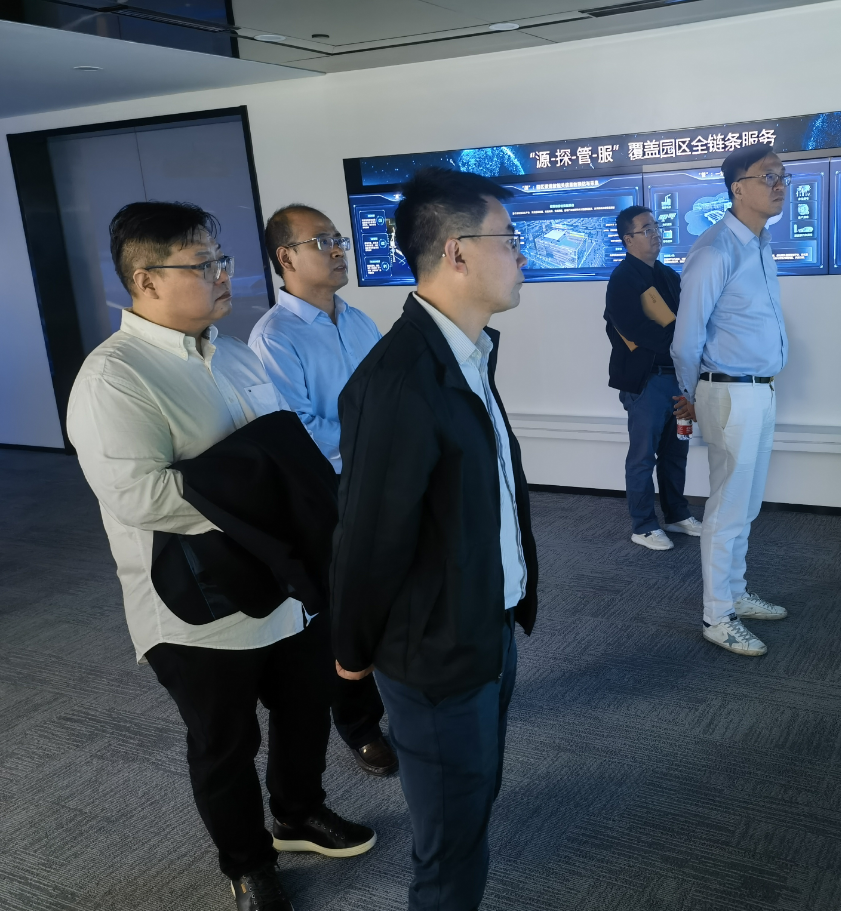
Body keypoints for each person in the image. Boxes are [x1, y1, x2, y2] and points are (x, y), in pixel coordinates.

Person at [66, 202, 375, 911]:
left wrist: (280, 489)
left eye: (222, 260)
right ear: (146, 280)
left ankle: (298, 812)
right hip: (198, 602)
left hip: (282, 579)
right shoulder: (114, 377)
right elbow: (143, 495)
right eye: (203, 265)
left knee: (305, 707)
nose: (224, 275)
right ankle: (247, 862)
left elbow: (283, 452)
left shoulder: (232, 352)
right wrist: (269, 489)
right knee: (224, 741)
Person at [330, 168, 539, 911]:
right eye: (508, 238)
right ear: (456, 252)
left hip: (484, 623)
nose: (521, 253)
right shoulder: (400, 380)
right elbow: (368, 537)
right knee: (449, 847)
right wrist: (351, 655)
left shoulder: (466, 352)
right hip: (437, 650)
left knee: (472, 802)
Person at [248, 204, 396, 778]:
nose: (339, 249)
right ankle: (360, 726)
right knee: (344, 610)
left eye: (339, 239)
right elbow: (298, 429)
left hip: (381, 479)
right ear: (286, 257)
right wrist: (376, 432)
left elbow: (387, 390)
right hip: (328, 493)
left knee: (390, 591)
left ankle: (401, 697)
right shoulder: (274, 337)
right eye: (322, 241)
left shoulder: (357, 319)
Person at [671, 144, 792, 657]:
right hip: (729, 392)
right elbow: (685, 339)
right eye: (769, 177)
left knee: (747, 503)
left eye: (783, 176)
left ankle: (736, 593)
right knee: (726, 506)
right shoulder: (715, 250)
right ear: (738, 188)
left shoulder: (759, 245)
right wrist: (689, 395)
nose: (780, 185)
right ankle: (717, 615)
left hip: (759, 390)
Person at [604, 204, 702, 550]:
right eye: (647, 229)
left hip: (678, 378)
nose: (655, 234)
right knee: (643, 456)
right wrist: (679, 342)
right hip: (648, 382)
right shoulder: (622, 279)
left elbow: (688, 319)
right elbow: (633, 329)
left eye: (657, 227)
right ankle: (643, 525)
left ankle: (677, 514)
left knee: (676, 452)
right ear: (628, 239)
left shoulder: (668, 275)